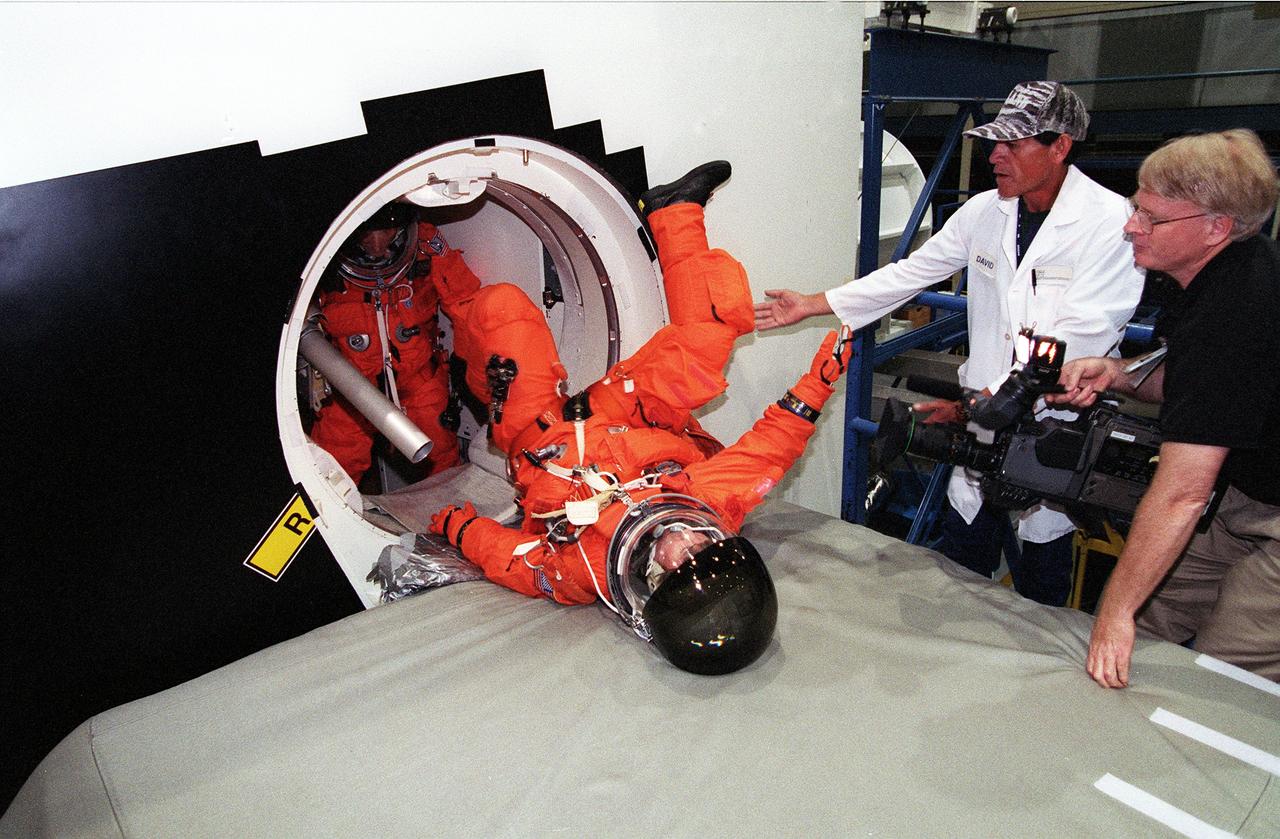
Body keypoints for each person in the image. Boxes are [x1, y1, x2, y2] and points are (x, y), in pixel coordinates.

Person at [427, 162, 853, 675]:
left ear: (653, 579)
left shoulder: (582, 569)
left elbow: (515, 560)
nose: (691, 540)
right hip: (631, 416)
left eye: (684, 557)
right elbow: (771, 448)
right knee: (710, 335)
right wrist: (822, 380)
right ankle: (673, 210)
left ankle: (436, 267)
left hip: (542, 434)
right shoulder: (708, 502)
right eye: (707, 544)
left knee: (502, 307)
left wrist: (458, 526)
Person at [754, 81, 1145, 606]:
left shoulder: (1110, 223)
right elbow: (910, 274)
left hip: (1053, 431)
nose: (995, 155)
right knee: (965, 568)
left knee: (1043, 578)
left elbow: (1082, 337)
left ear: (1060, 146)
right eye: (994, 142)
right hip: (980, 423)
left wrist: (991, 406)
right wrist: (813, 302)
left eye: (1014, 144)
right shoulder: (986, 211)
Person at [1049, 129, 1279, 687]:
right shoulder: (1196, 275)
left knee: (1222, 671)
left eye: (1152, 218)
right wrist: (1119, 376)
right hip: (1247, 488)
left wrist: (1114, 613)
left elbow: (1183, 492)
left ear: (1216, 227)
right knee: (1152, 619)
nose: (1131, 226)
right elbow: (1193, 382)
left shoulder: (1239, 308)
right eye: (1134, 209)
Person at [310, 203, 478, 483]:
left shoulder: (426, 245)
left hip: (421, 377)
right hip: (351, 385)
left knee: (440, 455)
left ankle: (449, 520)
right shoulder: (321, 258)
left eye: (386, 232)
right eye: (365, 234)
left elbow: (467, 302)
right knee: (333, 467)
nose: (377, 247)